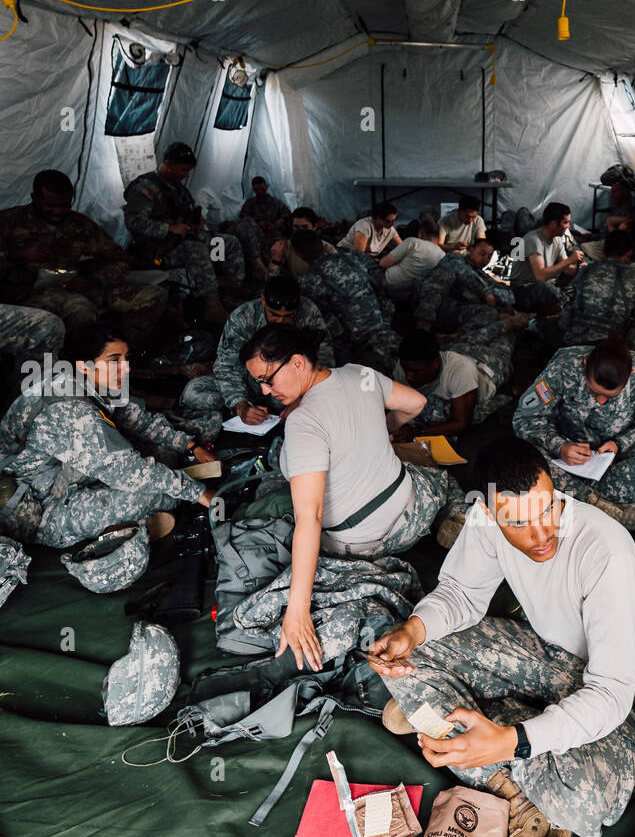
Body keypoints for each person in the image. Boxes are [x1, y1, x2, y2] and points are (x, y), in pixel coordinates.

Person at [366, 436, 635, 837]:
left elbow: (609, 692)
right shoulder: (484, 520)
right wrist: (413, 631)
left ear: (554, 489)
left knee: (588, 803)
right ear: (488, 510)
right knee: (406, 659)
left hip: (608, 688)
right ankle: (510, 781)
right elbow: (460, 593)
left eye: (547, 510)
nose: (541, 533)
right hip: (544, 653)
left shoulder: (605, 552)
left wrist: (511, 741)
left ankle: (478, 735)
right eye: (517, 522)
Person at [239, 323, 461, 670]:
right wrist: (380, 429)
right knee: (438, 477)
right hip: (410, 510)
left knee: (274, 488)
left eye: (268, 378)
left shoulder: (303, 423)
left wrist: (298, 609)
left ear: (298, 363)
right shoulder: (359, 373)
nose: (265, 391)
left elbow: (308, 519)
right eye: (260, 383)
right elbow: (416, 403)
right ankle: (452, 516)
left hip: (360, 546)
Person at [0, 319, 215, 550]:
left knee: (162, 458)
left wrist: (191, 446)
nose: (126, 368)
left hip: (67, 474)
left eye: (125, 359)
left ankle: (133, 523)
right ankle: (126, 527)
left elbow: (138, 420)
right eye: (114, 361)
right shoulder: (69, 407)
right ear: (84, 366)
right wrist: (198, 493)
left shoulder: (90, 382)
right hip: (38, 505)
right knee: (160, 497)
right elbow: (125, 471)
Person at [513, 336, 635, 528]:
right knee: (520, 455)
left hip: (613, 459)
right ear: (585, 365)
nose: (600, 401)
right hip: (562, 450)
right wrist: (559, 446)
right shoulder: (564, 366)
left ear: (631, 374)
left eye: (609, 396)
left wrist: (620, 444)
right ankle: (611, 510)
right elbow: (524, 419)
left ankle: (571, 495)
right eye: (593, 392)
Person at [0, 170, 166, 338]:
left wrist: (93, 279)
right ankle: (75, 359)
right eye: (51, 205)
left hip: (79, 288)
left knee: (154, 295)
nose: (58, 211)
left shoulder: (79, 224)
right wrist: (15, 255)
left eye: (65, 205)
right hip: (28, 293)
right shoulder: (8, 222)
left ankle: (124, 350)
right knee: (80, 310)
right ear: (34, 197)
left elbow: (119, 258)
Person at [178, 275, 333, 426]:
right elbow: (226, 366)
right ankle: (248, 412)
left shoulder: (309, 313)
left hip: (286, 388)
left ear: (298, 307)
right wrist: (241, 405)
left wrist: (302, 400)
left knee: (313, 402)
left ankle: (275, 412)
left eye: (288, 316)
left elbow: (324, 363)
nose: (281, 321)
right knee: (194, 391)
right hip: (247, 382)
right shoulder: (242, 317)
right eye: (274, 314)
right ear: (264, 301)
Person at [123, 143, 245, 325]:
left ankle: (232, 288)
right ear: (168, 163)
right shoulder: (145, 188)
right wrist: (169, 229)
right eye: (183, 170)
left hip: (180, 240)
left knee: (226, 242)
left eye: (188, 170)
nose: (186, 175)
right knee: (195, 250)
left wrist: (195, 222)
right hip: (155, 250)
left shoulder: (177, 188)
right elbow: (135, 223)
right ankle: (211, 305)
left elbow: (186, 212)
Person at [292, 231, 397, 370]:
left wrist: (275, 264)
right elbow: (381, 284)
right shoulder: (354, 257)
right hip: (385, 330)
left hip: (359, 346)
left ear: (299, 255)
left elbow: (283, 298)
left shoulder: (309, 281)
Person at [391, 325, 517, 440]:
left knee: (505, 342)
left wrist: (417, 432)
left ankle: (513, 322)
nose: (408, 376)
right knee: (475, 336)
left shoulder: (461, 371)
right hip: (460, 350)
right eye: (405, 369)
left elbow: (460, 423)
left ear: (434, 364)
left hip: (489, 366)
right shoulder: (403, 367)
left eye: (415, 372)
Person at [561, 229, 635, 351]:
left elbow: (567, 304)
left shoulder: (585, 271)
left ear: (604, 250)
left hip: (575, 340)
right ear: (629, 252)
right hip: (613, 347)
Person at [414, 238, 514, 335]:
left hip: (453, 314)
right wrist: (486, 292)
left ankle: (457, 336)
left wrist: (499, 297)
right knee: (443, 274)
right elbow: (465, 273)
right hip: (435, 309)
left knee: (491, 312)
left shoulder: (480, 274)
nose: (485, 260)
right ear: (471, 250)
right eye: (482, 254)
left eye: (489, 257)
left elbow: (508, 293)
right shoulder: (453, 259)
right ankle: (423, 327)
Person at [509, 201, 585, 316]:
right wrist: (570, 260)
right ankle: (566, 306)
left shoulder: (558, 239)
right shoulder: (533, 239)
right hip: (522, 290)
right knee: (546, 287)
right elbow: (540, 275)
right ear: (554, 224)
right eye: (566, 222)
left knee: (578, 279)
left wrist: (580, 268)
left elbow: (566, 269)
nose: (568, 226)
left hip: (544, 286)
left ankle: (562, 304)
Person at [378, 217, 445, 301]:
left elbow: (383, 263)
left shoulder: (413, 242)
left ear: (421, 234)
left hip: (387, 284)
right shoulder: (442, 255)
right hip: (410, 295)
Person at [238, 175, 292, 274]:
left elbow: (287, 214)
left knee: (279, 246)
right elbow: (243, 217)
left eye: (261, 188)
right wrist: (257, 222)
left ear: (267, 186)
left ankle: (275, 268)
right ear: (253, 189)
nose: (259, 191)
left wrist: (280, 221)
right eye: (256, 189)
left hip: (273, 233)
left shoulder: (276, 203)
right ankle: (257, 263)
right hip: (255, 234)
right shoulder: (250, 203)